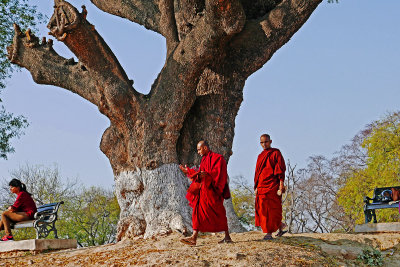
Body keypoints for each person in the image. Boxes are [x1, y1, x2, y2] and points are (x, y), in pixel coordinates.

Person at [179, 140, 232, 246]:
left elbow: (219, 173)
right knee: (197, 212)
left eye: (199, 149)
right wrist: (189, 171)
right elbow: (201, 174)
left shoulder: (218, 158)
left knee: (219, 213)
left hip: (213, 191)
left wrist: (207, 175)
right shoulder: (204, 159)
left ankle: (227, 236)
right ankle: (193, 237)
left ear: (205, 148)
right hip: (203, 191)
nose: (198, 152)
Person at [254, 134, 287, 240]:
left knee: (272, 209)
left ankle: (269, 232)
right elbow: (257, 172)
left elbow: (280, 170)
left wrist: (281, 184)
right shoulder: (260, 156)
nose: (264, 144)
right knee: (262, 209)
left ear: (270, 141)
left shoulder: (276, 153)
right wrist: (256, 186)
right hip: (261, 186)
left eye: (266, 142)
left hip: (272, 186)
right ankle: (280, 226)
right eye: (262, 143)